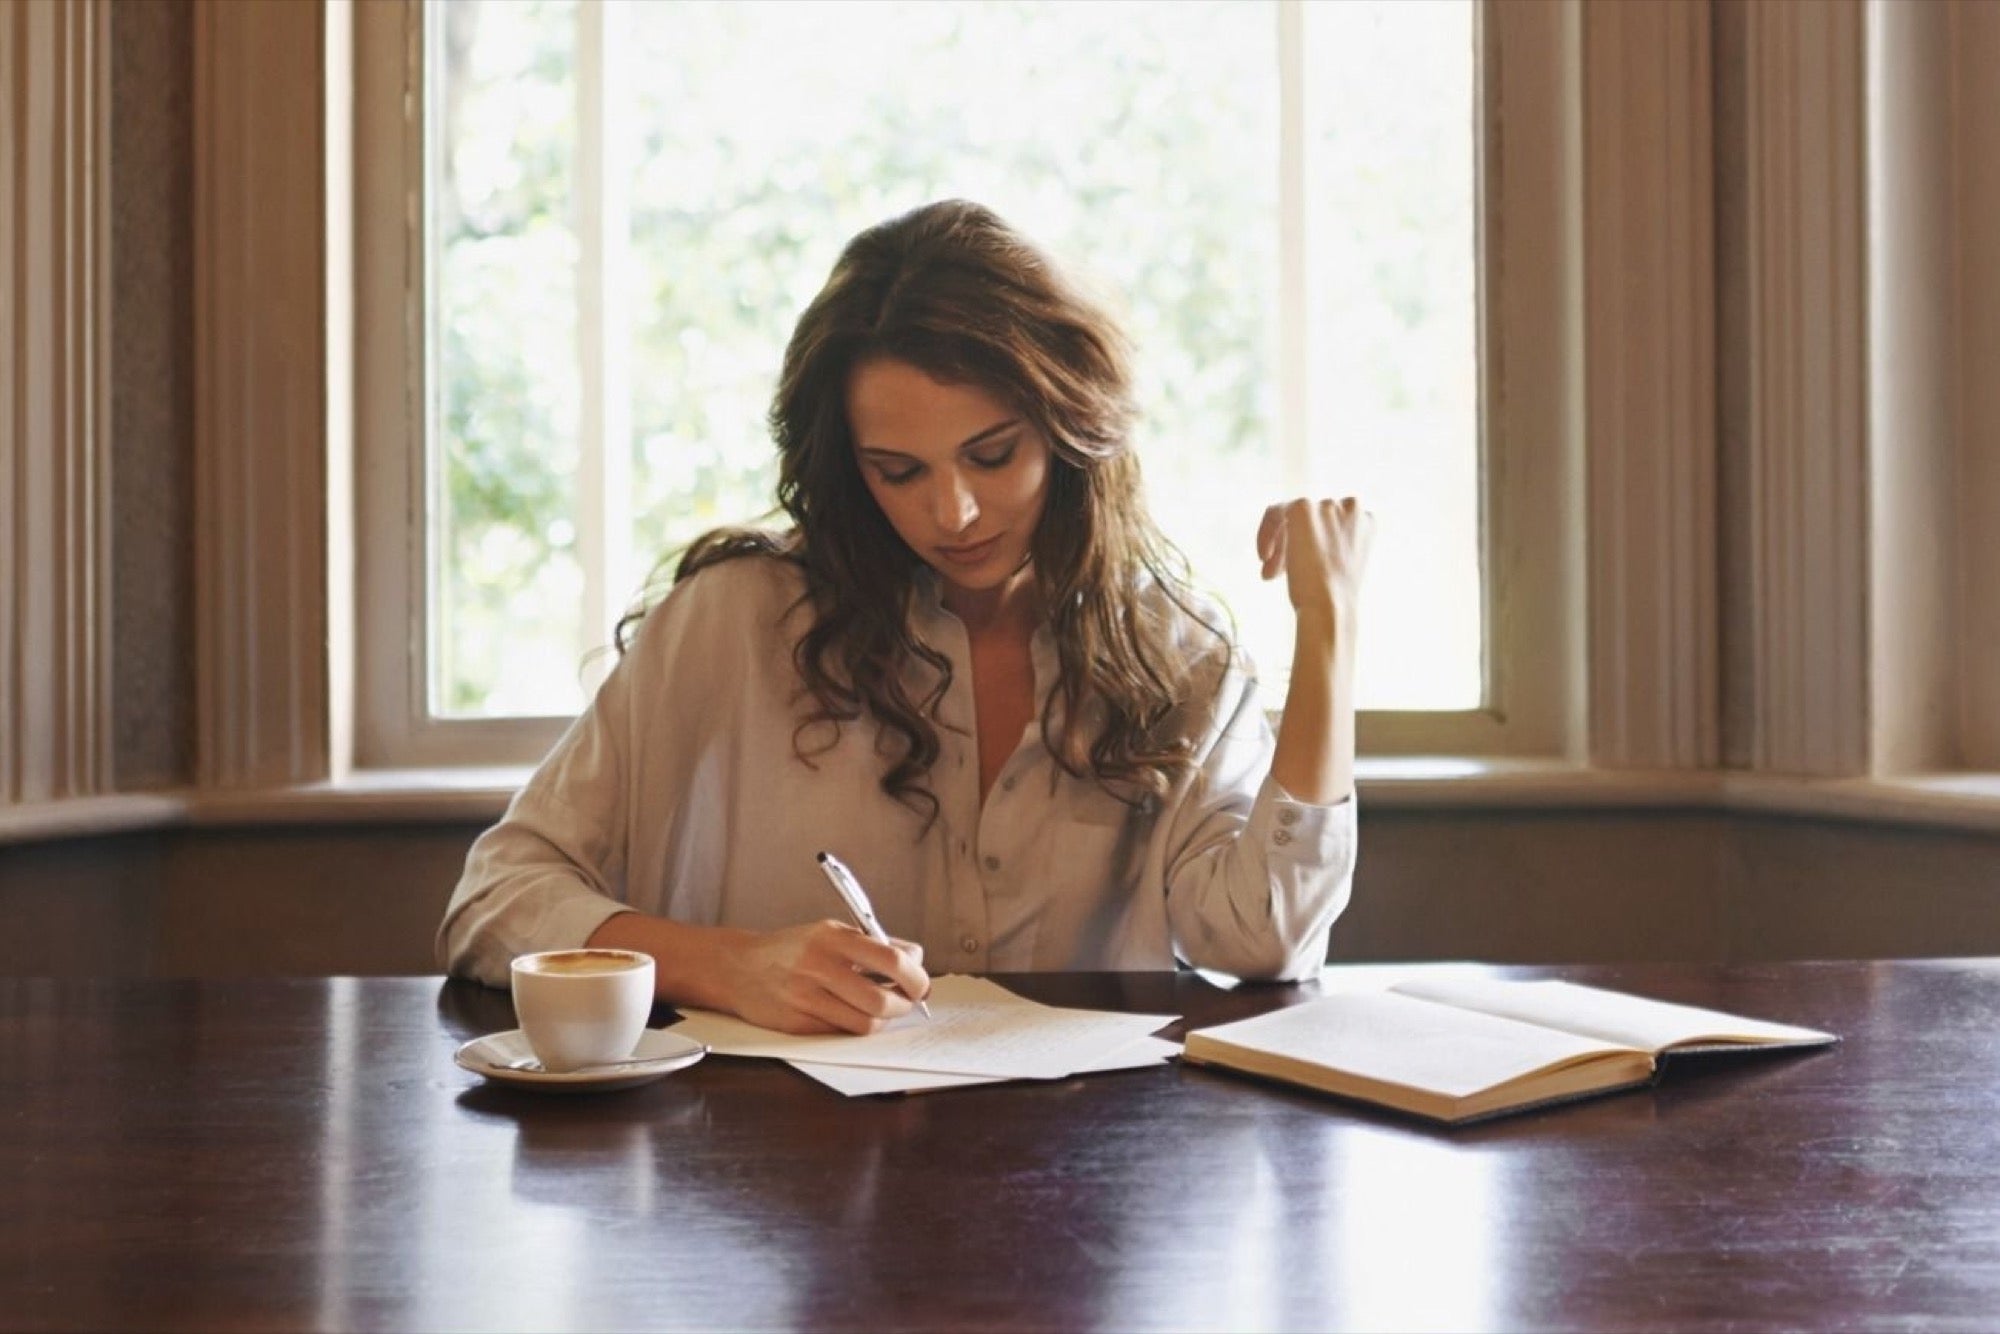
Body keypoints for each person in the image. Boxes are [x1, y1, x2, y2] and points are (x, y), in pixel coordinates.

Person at [437, 199, 1372, 1035]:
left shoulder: (1175, 651)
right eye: (899, 471)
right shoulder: (731, 624)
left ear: (1069, 432)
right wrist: (730, 966)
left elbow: (1264, 942)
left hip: (1082, 1175)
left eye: (992, 455)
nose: (952, 514)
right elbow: (498, 898)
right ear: (849, 467)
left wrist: (1329, 628)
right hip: (765, 1176)